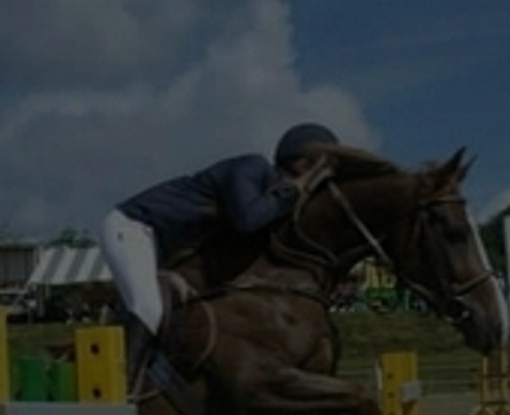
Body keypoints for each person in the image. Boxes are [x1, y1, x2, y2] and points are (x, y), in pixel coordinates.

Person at [99, 122, 340, 386]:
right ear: (302, 165)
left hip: (156, 243)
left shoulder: (270, 195)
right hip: (131, 226)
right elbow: (248, 220)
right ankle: (123, 392)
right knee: (148, 309)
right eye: (319, 172)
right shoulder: (251, 167)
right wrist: (295, 189)